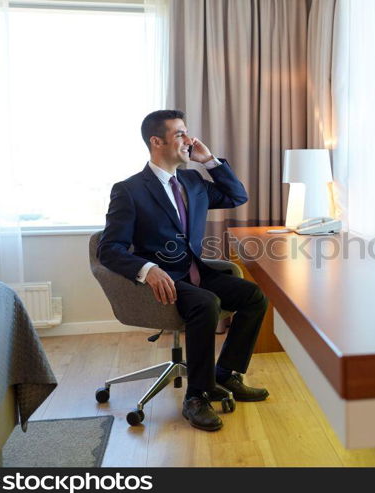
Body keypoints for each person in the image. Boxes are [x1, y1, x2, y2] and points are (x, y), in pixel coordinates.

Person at [98, 110, 269, 432]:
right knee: (205, 303)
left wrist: (209, 162)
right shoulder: (130, 190)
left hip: (196, 272)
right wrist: (147, 269)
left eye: (187, 133)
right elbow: (109, 249)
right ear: (156, 141)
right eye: (180, 134)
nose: (188, 140)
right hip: (160, 281)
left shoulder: (193, 181)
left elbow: (237, 195)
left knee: (253, 296)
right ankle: (196, 397)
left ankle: (226, 375)